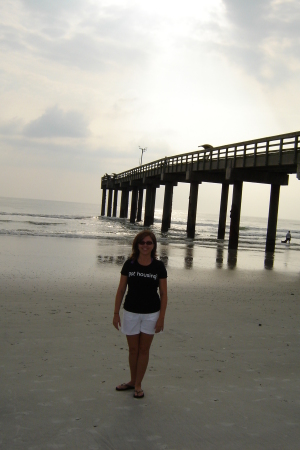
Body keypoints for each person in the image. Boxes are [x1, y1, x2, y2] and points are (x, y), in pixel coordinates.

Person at [113, 230, 168, 399]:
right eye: (142, 242)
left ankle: (138, 385)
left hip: (151, 314)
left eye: (149, 243)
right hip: (131, 312)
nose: (145, 245)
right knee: (133, 350)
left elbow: (164, 294)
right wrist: (116, 313)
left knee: (144, 350)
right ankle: (132, 380)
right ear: (137, 245)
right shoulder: (129, 264)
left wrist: (161, 318)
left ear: (153, 246)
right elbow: (121, 289)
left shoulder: (158, 266)